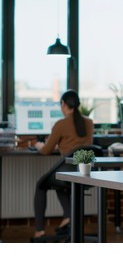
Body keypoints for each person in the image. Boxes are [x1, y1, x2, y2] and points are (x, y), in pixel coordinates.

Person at [32, 89, 94, 241]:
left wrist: (36, 145)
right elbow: (84, 145)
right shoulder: (89, 122)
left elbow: (46, 150)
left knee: (42, 184)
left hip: (68, 170)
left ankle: (39, 231)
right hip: (85, 171)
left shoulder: (61, 124)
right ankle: (68, 216)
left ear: (63, 104)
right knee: (59, 181)